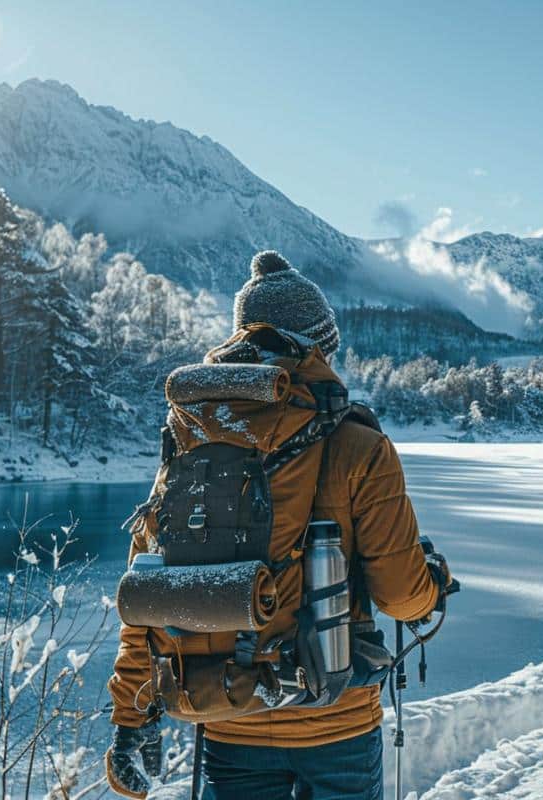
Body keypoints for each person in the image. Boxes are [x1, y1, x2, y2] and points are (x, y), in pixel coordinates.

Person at [105, 251, 449, 800]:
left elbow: (148, 594)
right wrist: (433, 586)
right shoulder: (358, 445)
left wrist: (131, 718)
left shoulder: (194, 438)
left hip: (227, 713)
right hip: (335, 721)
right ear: (318, 345)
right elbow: (404, 597)